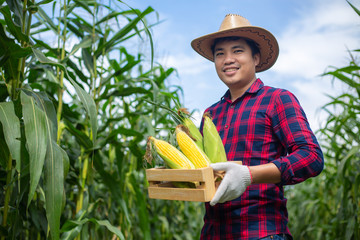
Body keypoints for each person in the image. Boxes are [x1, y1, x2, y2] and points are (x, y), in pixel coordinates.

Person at [191, 14, 324, 240]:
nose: (228, 59)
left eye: (237, 51)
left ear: (256, 58)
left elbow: (311, 157)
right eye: (219, 54)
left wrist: (248, 175)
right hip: (214, 233)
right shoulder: (210, 114)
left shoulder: (277, 99)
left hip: (262, 232)